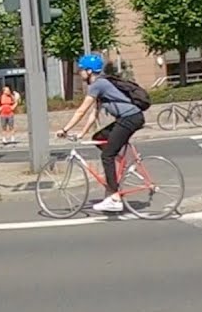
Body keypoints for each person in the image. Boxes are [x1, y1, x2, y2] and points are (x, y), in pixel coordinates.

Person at [56, 53, 146, 213]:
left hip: (130, 118)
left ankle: (115, 197)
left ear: (89, 71)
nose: (79, 72)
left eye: (81, 70)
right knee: (99, 137)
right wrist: (82, 133)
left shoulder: (98, 85)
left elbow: (81, 110)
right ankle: (121, 167)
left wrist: (65, 129)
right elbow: (93, 114)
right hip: (130, 118)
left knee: (107, 156)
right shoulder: (100, 85)